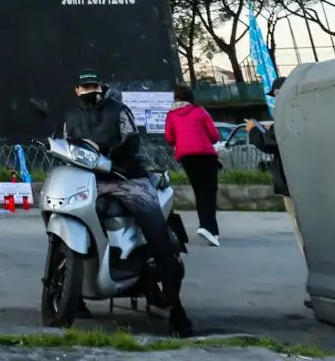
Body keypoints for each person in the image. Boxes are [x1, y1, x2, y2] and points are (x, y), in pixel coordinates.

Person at [62, 70, 191, 337]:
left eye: (93, 85)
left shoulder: (118, 110)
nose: (90, 90)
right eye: (85, 86)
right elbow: (66, 145)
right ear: (77, 90)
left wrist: (104, 150)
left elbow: (130, 140)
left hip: (127, 178)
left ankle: (176, 308)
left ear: (101, 86)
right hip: (89, 181)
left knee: (156, 234)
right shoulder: (71, 116)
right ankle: (74, 294)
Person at [165, 85, 223, 247]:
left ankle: (211, 230)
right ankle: (208, 228)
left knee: (199, 191)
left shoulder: (171, 115)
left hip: (186, 157)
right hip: (205, 155)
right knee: (209, 191)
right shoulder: (200, 111)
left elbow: (169, 138)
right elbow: (214, 135)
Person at [248, 78, 300, 255]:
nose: (276, 99)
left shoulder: (285, 114)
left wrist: (254, 131)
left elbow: (270, 143)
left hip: (291, 181)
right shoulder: (302, 110)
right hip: (306, 180)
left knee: (300, 226)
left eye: (277, 95)